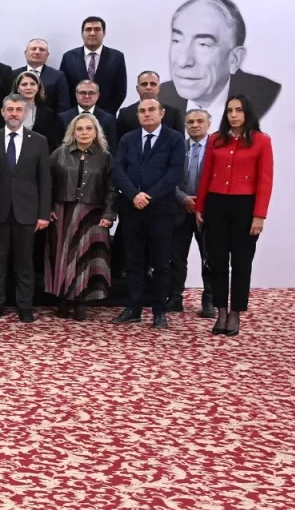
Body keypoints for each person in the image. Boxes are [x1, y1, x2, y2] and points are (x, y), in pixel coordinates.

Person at [195, 95, 274, 337]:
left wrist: (259, 215)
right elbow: (206, 175)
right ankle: (220, 310)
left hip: (245, 207)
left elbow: (265, 181)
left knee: (241, 263)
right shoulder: (216, 139)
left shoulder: (261, 141)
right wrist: (200, 206)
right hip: (216, 205)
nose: (233, 115)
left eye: (238, 110)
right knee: (217, 261)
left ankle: (235, 312)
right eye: (230, 111)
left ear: (247, 113)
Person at [112, 99, 185, 329]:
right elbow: (118, 169)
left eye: (152, 110)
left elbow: (174, 173)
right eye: (142, 111)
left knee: (161, 263)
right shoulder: (128, 139)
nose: (147, 114)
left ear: (162, 113)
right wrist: (134, 195)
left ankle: (159, 311)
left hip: (161, 211)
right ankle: (133, 308)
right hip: (132, 209)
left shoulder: (174, 139)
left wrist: (149, 196)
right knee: (133, 262)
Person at [0, 95, 52, 323]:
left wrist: (43, 213)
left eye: (18, 109)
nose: (14, 113)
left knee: (25, 264)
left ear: (25, 113)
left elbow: (45, 180)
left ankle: (25, 306)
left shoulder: (39, 141)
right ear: (2, 112)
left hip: (27, 212)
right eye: (9, 109)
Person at [159, 0, 281, 122]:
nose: (183, 61)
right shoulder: (158, 98)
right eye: (177, 40)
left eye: (203, 44)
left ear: (234, 60)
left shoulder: (270, 98)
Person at [45, 113, 116, 321]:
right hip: (62, 212)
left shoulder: (105, 157)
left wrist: (109, 213)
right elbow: (46, 183)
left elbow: (112, 189)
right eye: (80, 129)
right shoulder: (59, 154)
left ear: (96, 132)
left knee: (86, 256)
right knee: (64, 256)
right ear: (72, 132)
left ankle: (81, 301)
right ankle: (63, 299)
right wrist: (46, 208)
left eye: (88, 128)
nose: (84, 132)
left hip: (93, 214)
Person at [169, 108, 214, 318]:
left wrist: (201, 204)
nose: (195, 125)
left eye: (199, 121)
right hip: (180, 210)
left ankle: (209, 299)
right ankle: (175, 297)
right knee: (176, 257)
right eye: (190, 122)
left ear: (208, 124)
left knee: (209, 257)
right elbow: (168, 177)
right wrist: (183, 199)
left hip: (208, 213)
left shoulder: (217, 148)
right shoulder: (177, 148)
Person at [59, 16, 127, 114]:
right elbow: (63, 90)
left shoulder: (116, 57)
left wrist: (105, 115)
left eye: (97, 29)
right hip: (75, 116)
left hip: (105, 117)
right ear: (82, 34)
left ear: (104, 33)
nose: (92, 33)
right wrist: (73, 113)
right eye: (88, 29)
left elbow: (120, 91)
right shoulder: (69, 57)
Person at [117, 71, 182, 140]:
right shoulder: (125, 114)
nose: (148, 87)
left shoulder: (173, 113)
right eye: (144, 84)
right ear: (137, 88)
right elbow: (119, 143)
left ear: (159, 88)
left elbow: (180, 142)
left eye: (153, 84)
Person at [13, 38, 72, 115]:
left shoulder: (58, 76)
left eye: (41, 49)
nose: (37, 52)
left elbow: (63, 105)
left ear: (47, 55)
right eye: (33, 49)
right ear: (25, 53)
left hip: (49, 120)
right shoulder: (14, 74)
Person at [60, 80, 118, 152]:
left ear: (98, 95)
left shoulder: (108, 119)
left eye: (91, 93)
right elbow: (59, 146)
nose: (87, 96)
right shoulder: (63, 118)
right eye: (83, 93)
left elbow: (112, 148)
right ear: (76, 95)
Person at [12, 70, 64, 146]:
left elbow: (52, 140)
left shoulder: (47, 112)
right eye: (24, 84)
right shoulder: (9, 110)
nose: (28, 87)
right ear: (18, 89)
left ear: (38, 88)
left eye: (32, 84)